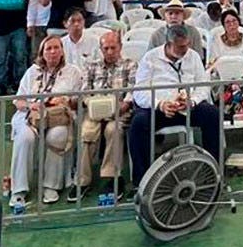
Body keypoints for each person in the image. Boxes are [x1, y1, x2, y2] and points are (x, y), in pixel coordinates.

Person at [128, 24, 222, 189]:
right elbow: (139, 92)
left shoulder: (192, 57)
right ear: (168, 44)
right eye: (180, 47)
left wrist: (191, 101)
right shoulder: (150, 58)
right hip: (160, 109)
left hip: (186, 107)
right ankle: (143, 183)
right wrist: (160, 104)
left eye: (186, 45)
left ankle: (212, 171)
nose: (185, 50)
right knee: (138, 124)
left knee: (212, 114)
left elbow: (203, 86)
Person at [9, 35, 83, 207]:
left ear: (62, 51)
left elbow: (79, 100)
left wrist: (65, 101)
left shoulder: (73, 71)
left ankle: (51, 185)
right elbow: (18, 100)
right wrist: (30, 105)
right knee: (25, 138)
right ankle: (19, 189)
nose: (53, 52)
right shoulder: (32, 72)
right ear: (42, 53)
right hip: (31, 116)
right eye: (48, 48)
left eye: (57, 47)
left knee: (57, 136)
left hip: (59, 117)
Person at [75, 31, 131, 200]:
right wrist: (92, 105)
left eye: (113, 48)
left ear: (120, 47)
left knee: (114, 130)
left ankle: (111, 177)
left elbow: (133, 91)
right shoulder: (91, 66)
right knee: (87, 132)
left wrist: (124, 105)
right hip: (94, 111)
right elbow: (85, 92)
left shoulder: (130, 65)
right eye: (106, 48)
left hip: (120, 111)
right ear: (101, 49)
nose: (110, 51)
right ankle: (82, 180)